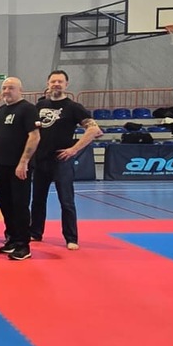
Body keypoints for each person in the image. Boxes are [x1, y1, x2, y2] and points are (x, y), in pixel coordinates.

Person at [31, 70, 101, 251]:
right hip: (41, 159)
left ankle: (71, 237)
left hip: (61, 160)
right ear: (48, 83)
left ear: (66, 85)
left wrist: (74, 149)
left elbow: (94, 130)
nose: (56, 84)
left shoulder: (73, 107)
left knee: (66, 201)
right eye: (53, 81)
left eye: (60, 81)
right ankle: (35, 232)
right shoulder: (40, 105)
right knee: (37, 200)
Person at [0, 77, 40, 261]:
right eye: (4, 88)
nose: (6, 91)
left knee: (20, 204)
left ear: (20, 90)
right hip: (1, 164)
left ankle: (23, 244)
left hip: (18, 166)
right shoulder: (1, 110)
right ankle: (11, 238)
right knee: (5, 204)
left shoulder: (28, 109)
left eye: (11, 88)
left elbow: (34, 136)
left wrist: (24, 161)